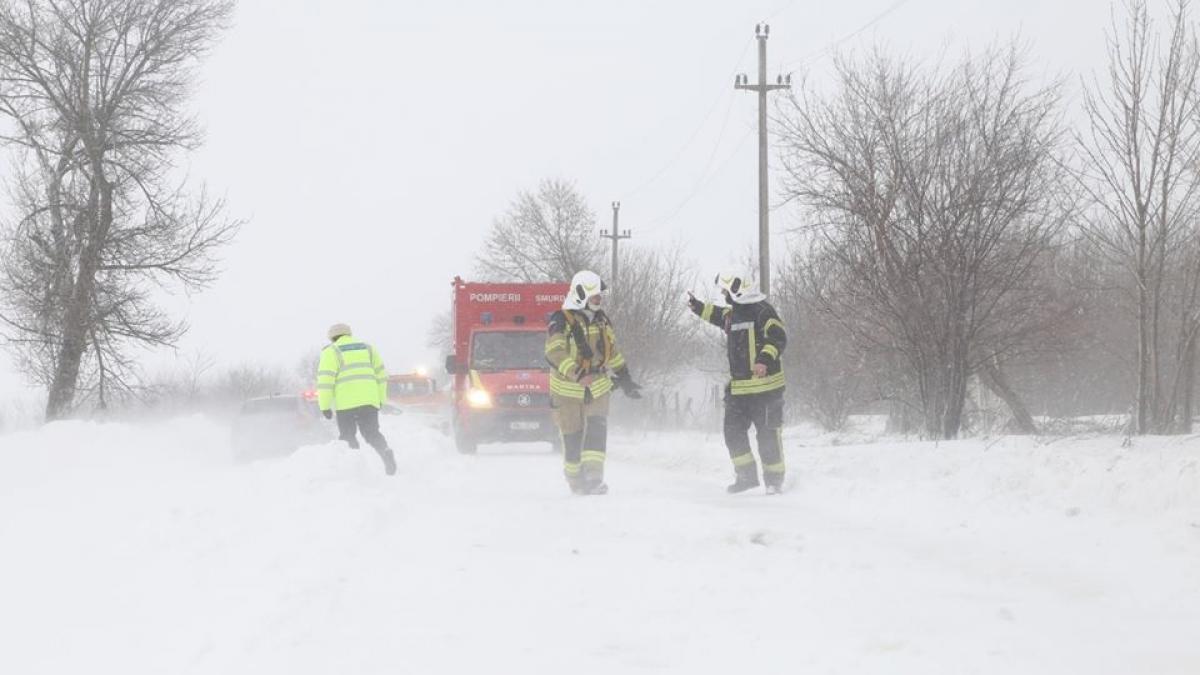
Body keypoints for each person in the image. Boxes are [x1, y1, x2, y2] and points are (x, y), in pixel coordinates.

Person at [688, 272, 787, 494]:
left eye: (725, 290)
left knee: (768, 435)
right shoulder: (733, 314)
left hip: (767, 390)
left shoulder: (763, 311)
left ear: (737, 288)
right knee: (732, 432)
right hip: (740, 390)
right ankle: (746, 477)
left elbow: (778, 337)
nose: (724, 295)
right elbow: (715, 314)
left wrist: (763, 360)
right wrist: (696, 306)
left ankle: (774, 481)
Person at [544, 270, 642, 494]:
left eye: (600, 296)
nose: (599, 300)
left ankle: (594, 478)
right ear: (581, 295)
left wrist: (625, 377)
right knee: (572, 439)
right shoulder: (560, 320)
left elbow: (611, 351)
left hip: (597, 387)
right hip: (567, 392)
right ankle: (576, 481)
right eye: (595, 296)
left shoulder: (601, 319)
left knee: (598, 429)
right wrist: (577, 374)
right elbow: (554, 352)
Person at [316, 323, 397, 476]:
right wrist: (381, 399)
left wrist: (324, 406)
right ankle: (385, 452)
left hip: (345, 404)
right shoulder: (368, 348)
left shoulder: (331, 351)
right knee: (372, 433)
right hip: (369, 401)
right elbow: (381, 375)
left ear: (332, 338)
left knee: (347, 436)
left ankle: (355, 471)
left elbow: (325, 381)